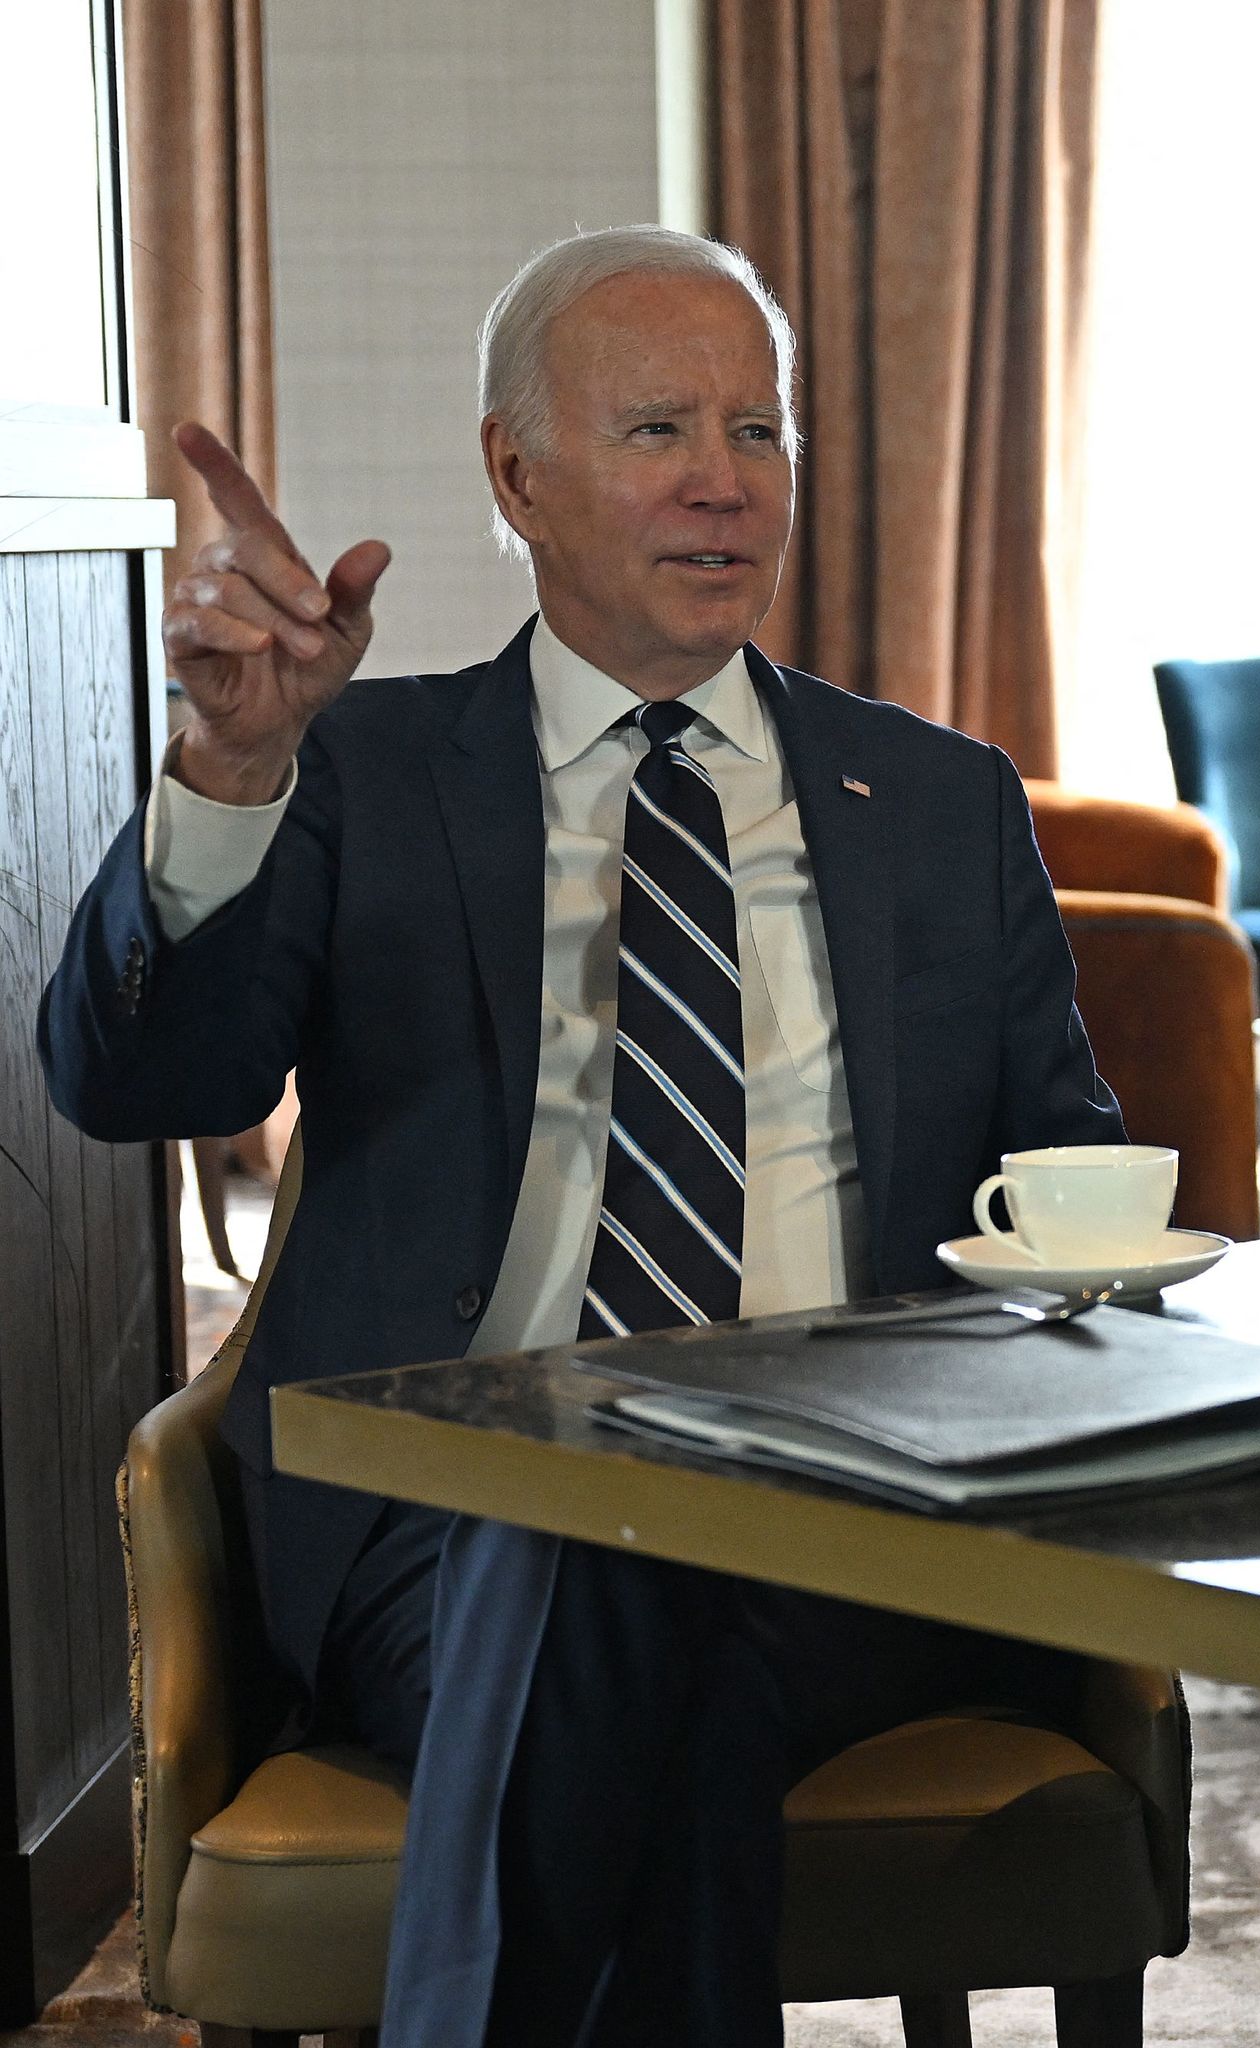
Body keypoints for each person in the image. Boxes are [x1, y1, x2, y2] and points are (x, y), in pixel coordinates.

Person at [40, 225, 1127, 2043]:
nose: (725, 482)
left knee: (622, 1598)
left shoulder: (937, 804)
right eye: (658, 430)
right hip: (437, 1522)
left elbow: (1069, 1198)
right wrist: (228, 779)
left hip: (863, 1527)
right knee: (597, 1558)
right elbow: (138, 1085)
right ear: (514, 474)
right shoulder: (357, 775)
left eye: (758, 431)